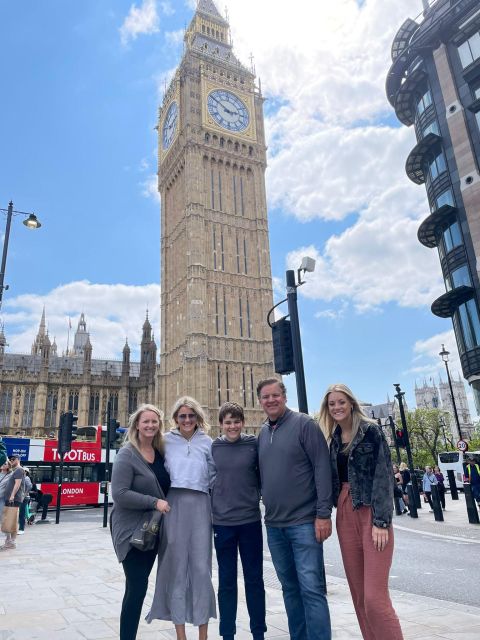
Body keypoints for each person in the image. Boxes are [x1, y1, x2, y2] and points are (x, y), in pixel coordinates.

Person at [320, 383, 404, 640]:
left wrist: (381, 521)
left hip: (370, 511)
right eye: (332, 403)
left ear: (352, 403)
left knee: (375, 599)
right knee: (359, 596)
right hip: (345, 512)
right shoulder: (332, 438)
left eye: (341, 402)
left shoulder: (370, 431)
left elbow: (383, 476)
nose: (337, 407)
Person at [257, 378, 332, 640]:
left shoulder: (304, 424)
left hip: (304, 522)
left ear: (284, 397)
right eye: (266, 397)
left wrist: (323, 514)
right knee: (289, 588)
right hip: (275, 525)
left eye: (275, 395)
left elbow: (323, 468)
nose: (271, 400)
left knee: (311, 589)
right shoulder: (263, 432)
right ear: (260, 401)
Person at [147, 396, 216, 640]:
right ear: (175, 418)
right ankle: (180, 635)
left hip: (200, 504)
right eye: (182, 416)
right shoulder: (165, 441)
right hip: (172, 506)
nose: (187, 420)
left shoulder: (208, 442)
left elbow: (216, 476)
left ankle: (203, 634)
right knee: (175, 568)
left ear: (198, 417)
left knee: (201, 569)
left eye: (191, 415)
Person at [110, 404, 171, 640]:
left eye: (154, 421)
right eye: (145, 421)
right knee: (136, 588)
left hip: (153, 530)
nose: (150, 425)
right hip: (131, 532)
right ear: (137, 424)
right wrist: (155, 502)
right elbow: (120, 494)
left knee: (139, 587)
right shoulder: (127, 453)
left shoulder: (160, 452)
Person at [211, 402, 266, 640]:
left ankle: (258, 633)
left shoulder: (253, 444)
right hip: (222, 524)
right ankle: (227, 634)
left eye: (236, 421)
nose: (232, 426)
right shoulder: (214, 447)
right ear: (221, 424)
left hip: (250, 521)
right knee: (226, 581)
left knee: (254, 579)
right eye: (227, 422)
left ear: (242, 423)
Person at [0, 454, 25, 551]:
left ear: (18, 459)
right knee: (9, 519)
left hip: (12, 500)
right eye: (10, 459)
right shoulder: (16, 471)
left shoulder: (18, 470)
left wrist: (12, 495)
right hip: (10, 500)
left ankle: (12, 542)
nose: (11, 461)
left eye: (13, 459)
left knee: (12, 520)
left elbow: (18, 484)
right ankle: (9, 541)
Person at [18, 467, 33, 534]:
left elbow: (30, 486)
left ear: (26, 472)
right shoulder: (22, 478)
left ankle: (21, 529)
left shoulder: (26, 478)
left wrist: (24, 494)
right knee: (21, 512)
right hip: (22, 497)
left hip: (24, 498)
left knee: (22, 513)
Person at [0, 460, 12, 524]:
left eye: (5, 464)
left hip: (2, 498)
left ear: (8, 466)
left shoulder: (10, 475)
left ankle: (6, 531)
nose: (2, 464)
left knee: (2, 515)